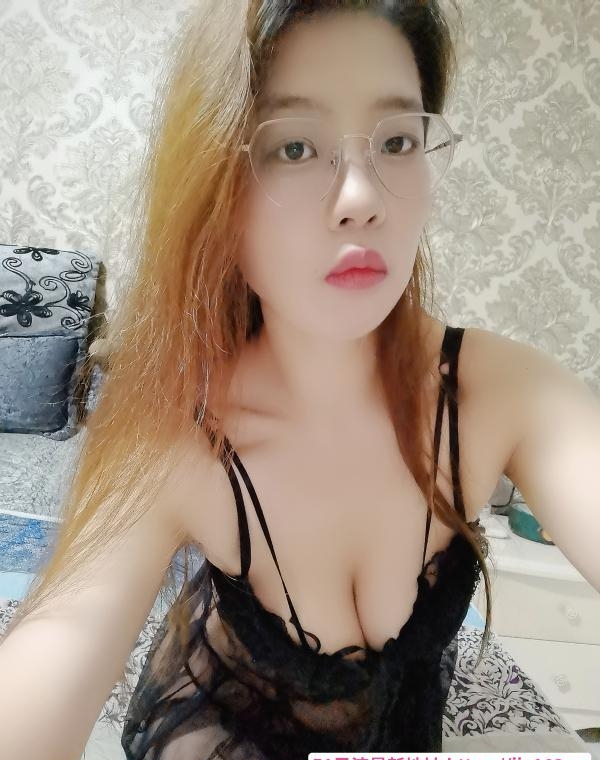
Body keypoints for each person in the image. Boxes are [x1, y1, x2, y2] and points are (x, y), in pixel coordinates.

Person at [2, 2, 599, 760]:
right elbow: (49, 664)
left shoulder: (504, 394)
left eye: (396, 140)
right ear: (215, 188)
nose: (363, 199)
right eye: (293, 147)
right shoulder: (177, 423)